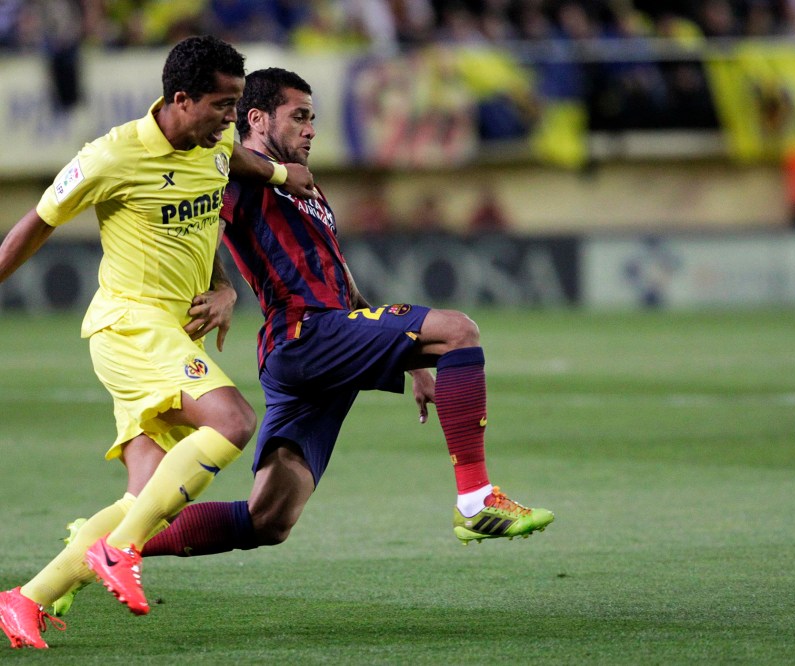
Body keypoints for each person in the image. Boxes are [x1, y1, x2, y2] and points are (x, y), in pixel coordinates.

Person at [82, 68, 553, 572]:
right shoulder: (234, 172)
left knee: (269, 519)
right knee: (459, 330)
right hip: (305, 333)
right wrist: (220, 286)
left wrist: (416, 362)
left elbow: (340, 277)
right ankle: (476, 499)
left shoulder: (302, 183)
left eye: (313, 119)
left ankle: (108, 547)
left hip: (322, 339)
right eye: (299, 117)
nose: (311, 129)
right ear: (257, 119)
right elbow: (197, 230)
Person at [0, 35, 317, 650]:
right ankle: (118, 553)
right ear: (180, 99)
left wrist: (281, 175)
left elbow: (232, 170)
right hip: (129, 325)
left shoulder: (214, 142)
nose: (233, 119)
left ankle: (23, 599)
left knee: (150, 498)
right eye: (223, 105)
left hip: (167, 331)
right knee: (231, 419)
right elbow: (33, 225)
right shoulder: (110, 157)